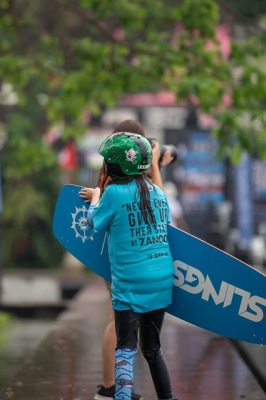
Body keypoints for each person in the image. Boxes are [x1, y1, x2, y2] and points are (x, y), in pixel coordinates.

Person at [79, 132, 177, 400]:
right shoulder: (158, 193)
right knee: (153, 349)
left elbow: (92, 222)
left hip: (129, 282)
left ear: (117, 166)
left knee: (125, 349)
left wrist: (96, 197)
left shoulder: (113, 194)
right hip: (160, 279)